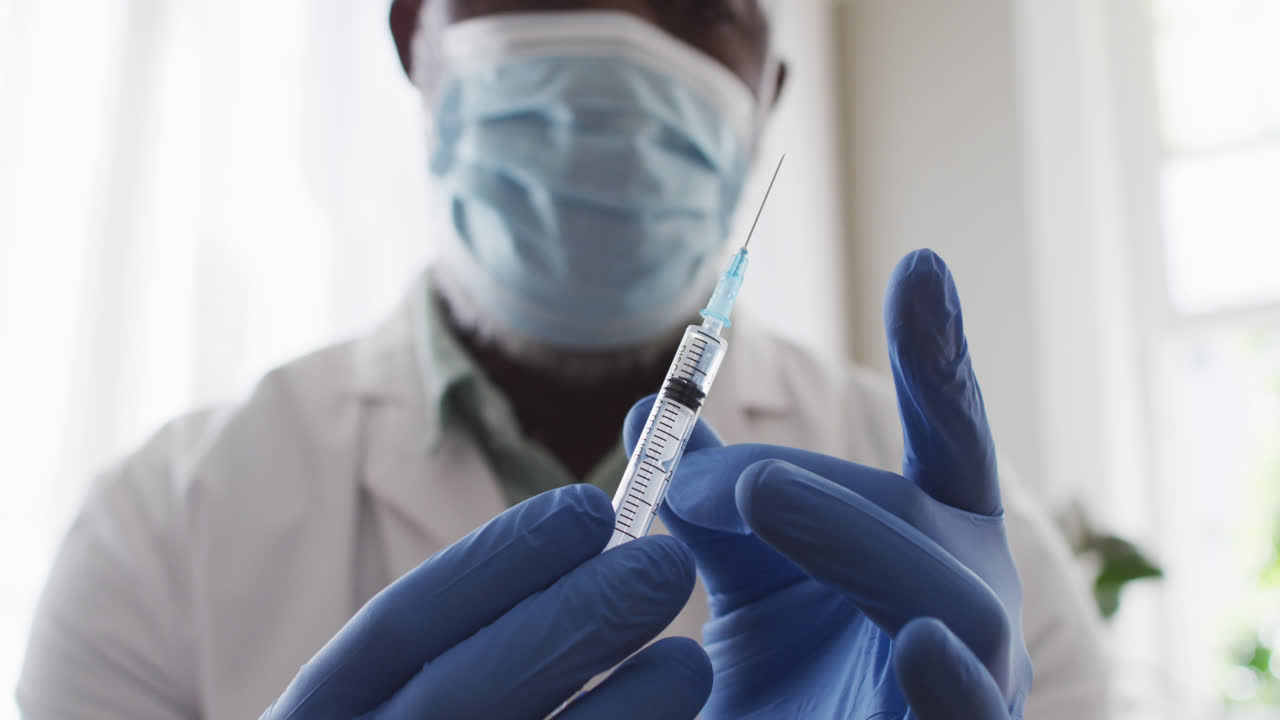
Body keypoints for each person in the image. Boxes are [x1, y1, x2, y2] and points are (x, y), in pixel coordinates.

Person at [17, 2, 1108, 718]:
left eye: (693, 4)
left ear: (763, 90)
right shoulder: (162, 526)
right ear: (413, 35)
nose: (617, 32)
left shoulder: (965, 568)